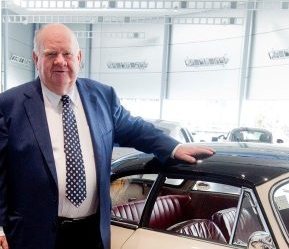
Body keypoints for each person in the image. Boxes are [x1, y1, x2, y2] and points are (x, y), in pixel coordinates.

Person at [0, 23, 214, 249]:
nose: (60, 61)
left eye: (67, 54)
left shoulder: (102, 96)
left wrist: (173, 148)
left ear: (79, 57)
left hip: (91, 234)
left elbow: (135, 128)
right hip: (34, 236)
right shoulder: (9, 105)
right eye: (51, 54)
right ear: (36, 58)